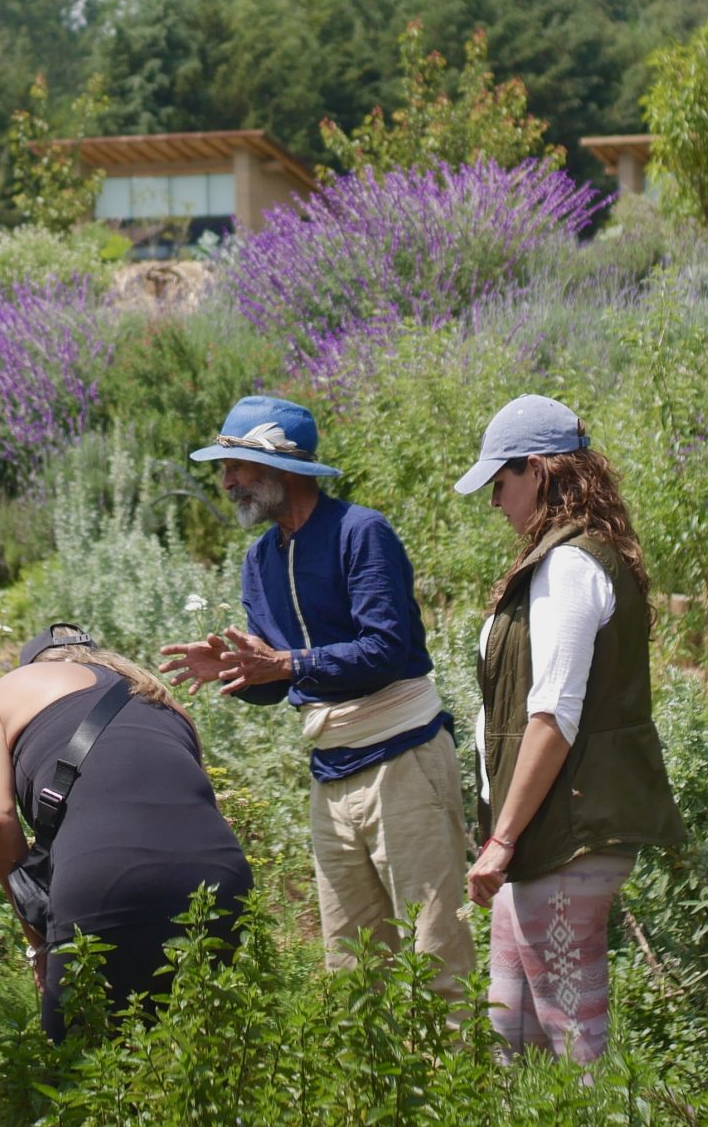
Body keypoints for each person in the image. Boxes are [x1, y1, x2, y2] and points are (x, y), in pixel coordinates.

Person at [161, 395, 475, 993]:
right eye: (224, 469)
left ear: (282, 469)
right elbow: (277, 683)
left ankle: (458, 1082)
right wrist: (237, 667)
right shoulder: (260, 561)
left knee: (434, 956)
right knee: (353, 968)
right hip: (330, 775)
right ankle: (378, 1090)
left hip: (404, 760)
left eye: (236, 466)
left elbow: (386, 648)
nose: (226, 482)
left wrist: (284, 661)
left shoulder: (362, 533)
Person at [453, 396, 685, 1064]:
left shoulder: (571, 565)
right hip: (549, 836)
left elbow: (553, 715)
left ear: (540, 470)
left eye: (500, 483)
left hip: (570, 834)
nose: (495, 502)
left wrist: (500, 838)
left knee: (575, 1041)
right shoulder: (569, 558)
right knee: (511, 1029)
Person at [0, 622, 254, 1040]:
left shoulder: (5, 691)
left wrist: (39, 940)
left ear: (34, 664)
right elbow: (205, 805)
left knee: (85, 1067)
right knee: (210, 1050)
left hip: (101, 878)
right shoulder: (163, 701)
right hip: (221, 876)